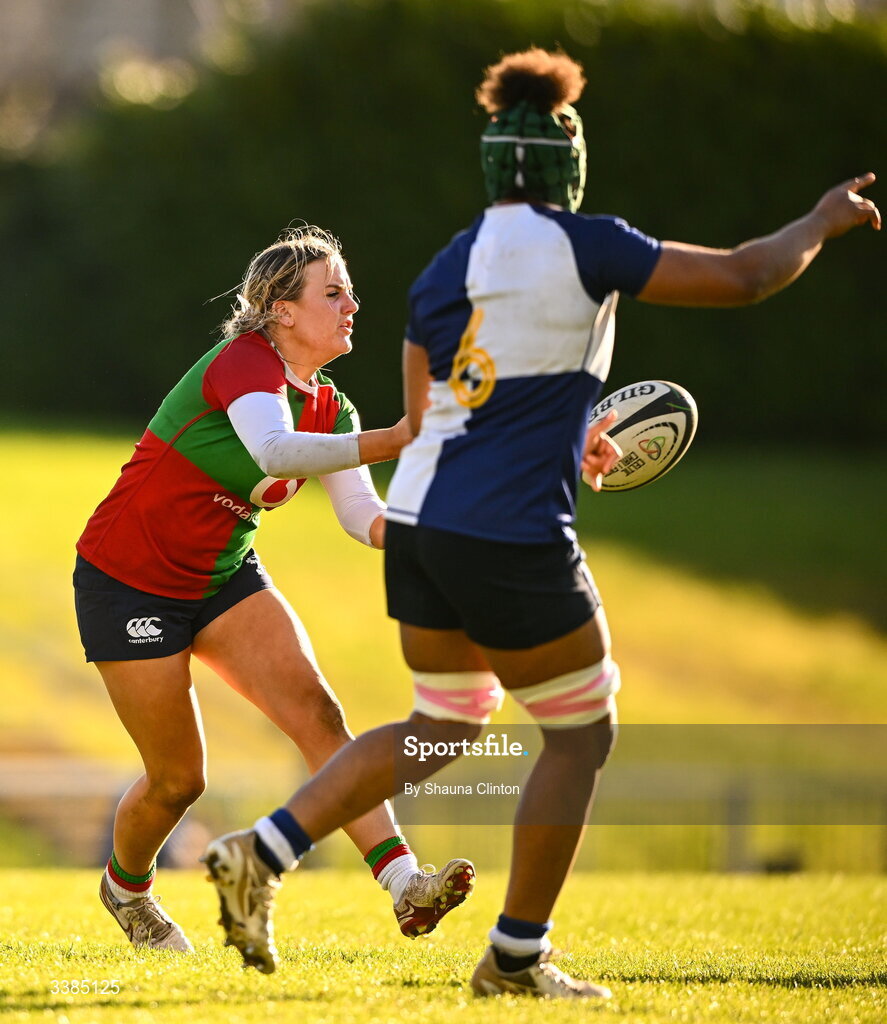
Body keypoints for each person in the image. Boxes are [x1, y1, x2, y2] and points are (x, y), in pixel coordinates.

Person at [202, 49, 881, 992]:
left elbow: (436, 415)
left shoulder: (448, 265)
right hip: (508, 532)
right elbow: (744, 276)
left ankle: (261, 852)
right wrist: (821, 218)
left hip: (425, 525)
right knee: (582, 732)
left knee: (446, 723)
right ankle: (516, 956)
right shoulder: (585, 242)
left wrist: (566, 440)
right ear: (570, 161)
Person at [73, 226, 476, 953]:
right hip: (127, 585)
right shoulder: (242, 361)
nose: (352, 303)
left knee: (320, 716)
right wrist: (394, 438)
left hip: (223, 578)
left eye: (348, 292)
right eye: (333, 291)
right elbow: (274, 450)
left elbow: (361, 517)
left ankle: (405, 887)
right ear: (281, 310)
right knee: (177, 782)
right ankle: (126, 890)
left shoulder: (334, 407)